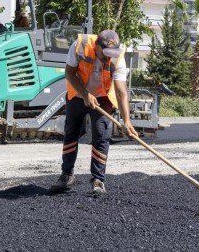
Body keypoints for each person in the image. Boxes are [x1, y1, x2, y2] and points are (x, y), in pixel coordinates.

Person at [49, 30, 138, 195]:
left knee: (101, 135)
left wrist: (127, 121)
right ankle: (66, 175)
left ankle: (98, 180)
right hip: (78, 93)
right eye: (105, 54)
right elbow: (69, 73)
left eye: (111, 54)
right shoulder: (80, 45)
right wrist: (85, 95)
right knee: (71, 133)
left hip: (103, 97)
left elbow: (121, 92)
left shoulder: (118, 58)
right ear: (97, 46)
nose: (108, 58)